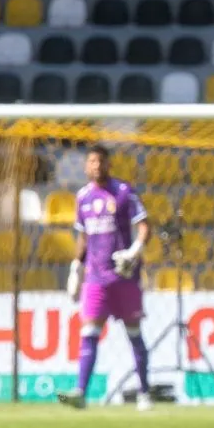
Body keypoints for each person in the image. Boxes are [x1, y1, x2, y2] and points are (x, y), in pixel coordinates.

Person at [57, 144, 153, 412]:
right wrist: (76, 268)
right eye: (92, 161)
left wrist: (134, 250)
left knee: (134, 332)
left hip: (124, 276)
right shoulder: (83, 197)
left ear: (109, 164)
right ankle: (80, 393)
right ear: (86, 166)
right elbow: (83, 236)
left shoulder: (123, 191)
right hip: (95, 278)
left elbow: (144, 226)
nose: (96, 166)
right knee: (89, 332)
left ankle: (145, 393)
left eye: (101, 161)